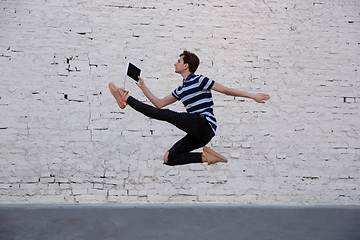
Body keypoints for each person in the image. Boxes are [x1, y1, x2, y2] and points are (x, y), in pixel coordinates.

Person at [109, 51, 270, 166]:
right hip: (201, 136)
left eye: (178, 61)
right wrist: (143, 86)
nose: (175, 63)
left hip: (204, 123)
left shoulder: (200, 80)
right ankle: (207, 158)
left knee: (168, 115)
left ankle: (126, 99)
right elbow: (158, 104)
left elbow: (226, 90)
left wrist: (252, 95)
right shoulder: (180, 90)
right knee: (168, 159)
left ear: (186, 65)